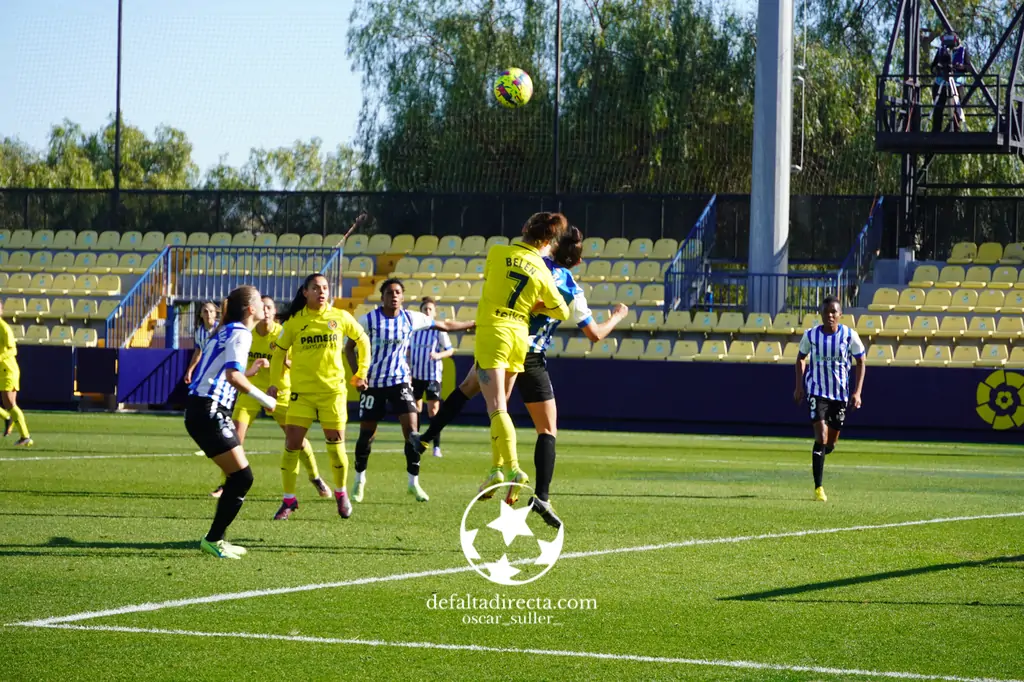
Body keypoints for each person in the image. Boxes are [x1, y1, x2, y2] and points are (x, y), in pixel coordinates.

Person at [410, 225, 628, 527]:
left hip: (505, 340)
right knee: (546, 428)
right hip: (532, 355)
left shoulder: (532, 262)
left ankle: (435, 444)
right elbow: (595, 334)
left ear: (551, 246)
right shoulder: (571, 288)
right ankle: (541, 496)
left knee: (474, 392)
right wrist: (617, 315)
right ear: (577, 262)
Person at [459, 213, 570, 508]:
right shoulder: (543, 270)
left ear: (524, 229)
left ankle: (513, 469)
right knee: (502, 408)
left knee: (496, 406)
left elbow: (494, 282)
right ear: (548, 241)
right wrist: (537, 305)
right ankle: (495, 470)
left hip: (493, 332)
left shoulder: (497, 252)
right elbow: (563, 311)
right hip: (520, 337)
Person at [344, 279, 475, 503]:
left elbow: (444, 325)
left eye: (397, 292)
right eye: (389, 292)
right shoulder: (369, 320)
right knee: (367, 435)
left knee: (413, 433)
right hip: (373, 384)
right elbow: (349, 347)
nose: (394, 296)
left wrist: (472, 323)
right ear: (382, 297)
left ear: (403, 297)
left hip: (400, 381)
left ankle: (413, 483)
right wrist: (358, 374)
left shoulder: (411, 318)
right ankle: (359, 480)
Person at [185, 286, 277, 559]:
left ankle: (217, 539)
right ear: (251, 309)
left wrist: (250, 372)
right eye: (260, 302)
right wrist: (266, 399)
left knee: (238, 477)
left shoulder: (226, 330)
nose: (265, 307)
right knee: (242, 477)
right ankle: (214, 540)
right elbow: (232, 377)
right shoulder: (241, 333)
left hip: (204, 410)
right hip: (209, 411)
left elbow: (227, 372)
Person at [269, 273, 371, 520]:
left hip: (332, 394)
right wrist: (274, 384)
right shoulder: (294, 323)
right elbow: (279, 353)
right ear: (305, 292)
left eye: (325, 287)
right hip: (301, 394)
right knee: (291, 446)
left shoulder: (340, 317)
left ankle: (341, 493)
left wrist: (361, 372)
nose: (322, 291)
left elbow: (363, 340)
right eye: (316, 288)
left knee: (336, 449)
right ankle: (289, 500)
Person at [232, 296, 332, 519]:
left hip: (280, 392)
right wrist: (252, 369)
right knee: (235, 437)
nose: (266, 311)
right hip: (251, 390)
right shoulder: (246, 335)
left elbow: (300, 362)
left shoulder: (283, 333)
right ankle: (226, 483)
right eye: (263, 307)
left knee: (296, 440)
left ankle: (315, 477)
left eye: (269, 307)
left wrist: (284, 361)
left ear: (275, 311)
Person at [793, 296, 866, 502]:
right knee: (821, 437)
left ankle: (823, 452)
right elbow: (800, 358)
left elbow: (861, 361)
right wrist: (799, 386)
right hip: (817, 392)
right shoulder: (811, 335)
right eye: (826, 312)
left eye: (834, 312)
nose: (830, 315)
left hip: (840, 395)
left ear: (840, 314)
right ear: (822, 315)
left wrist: (857, 392)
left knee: (830, 443)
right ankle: (819, 487)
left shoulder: (849, 336)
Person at [408, 297, 454, 459]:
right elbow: (408, 350)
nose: (427, 312)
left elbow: (450, 350)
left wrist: (438, 355)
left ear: (434, 313)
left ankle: (436, 446)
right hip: (416, 375)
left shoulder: (439, 330)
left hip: (433, 375)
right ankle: (415, 443)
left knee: (433, 410)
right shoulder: (415, 330)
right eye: (425, 309)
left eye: (430, 309)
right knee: (415, 410)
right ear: (421, 312)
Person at [0, 300, 32, 446]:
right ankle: (7, 417)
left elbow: (13, 349)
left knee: (10, 403)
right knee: (9, 405)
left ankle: (25, 436)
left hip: (8, 369)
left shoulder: (4, 328)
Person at [930, 32, 971, 133]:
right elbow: (933, 67)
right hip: (941, 83)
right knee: (938, 107)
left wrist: (959, 67)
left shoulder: (963, 50)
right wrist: (938, 69)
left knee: (958, 107)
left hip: (957, 84)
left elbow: (968, 67)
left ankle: (956, 129)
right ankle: (936, 131)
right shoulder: (941, 50)